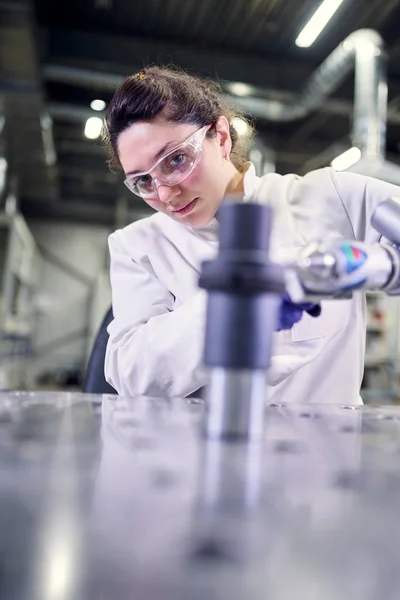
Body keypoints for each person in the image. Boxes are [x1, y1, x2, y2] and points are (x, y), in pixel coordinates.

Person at [102, 65, 400, 405]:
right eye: (143, 181)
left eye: (176, 160)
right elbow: (130, 374)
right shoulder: (138, 245)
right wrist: (229, 309)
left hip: (328, 450)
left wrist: (363, 266)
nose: (166, 194)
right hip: (206, 450)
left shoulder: (329, 198)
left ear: (222, 138)